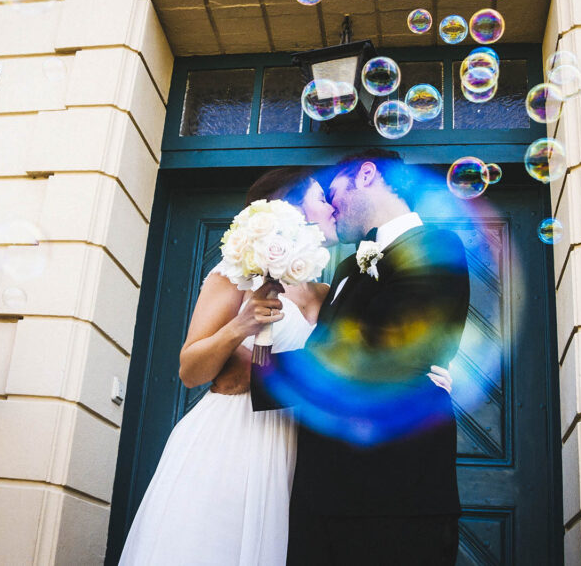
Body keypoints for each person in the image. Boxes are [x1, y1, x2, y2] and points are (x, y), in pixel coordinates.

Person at [118, 166, 453, 565]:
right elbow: (190, 370)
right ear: (289, 211)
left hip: (301, 448)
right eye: (320, 199)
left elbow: (356, 356)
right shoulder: (235, 276)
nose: (332, 207)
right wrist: (240, 327)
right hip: (236, 435)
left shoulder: (331, 292)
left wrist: (414, 373)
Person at [254, 150, 471, 565]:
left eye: (333, 190)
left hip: (399, 493)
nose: (331, 206)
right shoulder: (347, 268)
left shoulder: (437, 247)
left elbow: (384, 350)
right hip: (321, 491)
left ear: (366, 175)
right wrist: (263, 328)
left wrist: (267, 375)